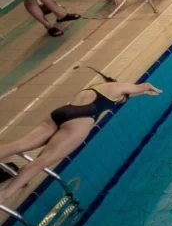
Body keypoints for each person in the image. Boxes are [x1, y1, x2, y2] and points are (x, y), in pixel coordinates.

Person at [0, 72, 160, 202]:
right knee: (43, 160)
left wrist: (142, 93)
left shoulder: (95, 88)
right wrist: (152, 89)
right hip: (81, 120)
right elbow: (142, 86)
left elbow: (126, 95)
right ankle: (4, 194)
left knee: (19, 144)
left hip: (61, 113)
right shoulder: (120, 86)